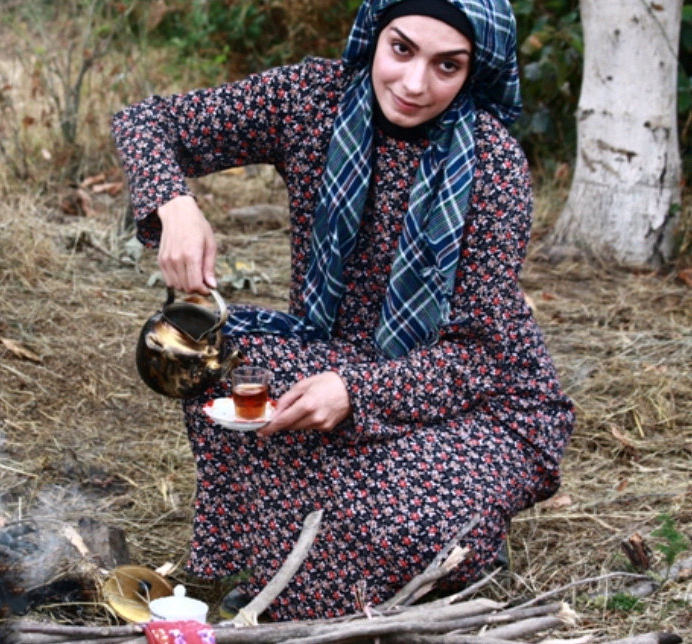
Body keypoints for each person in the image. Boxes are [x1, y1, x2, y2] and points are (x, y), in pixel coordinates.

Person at [112, 0, 575, 621]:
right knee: (208, 359)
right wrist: (174, 204)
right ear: (374, 36)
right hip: (337, 351)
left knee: (386, 519)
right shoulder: (312, 99)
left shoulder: (493, 166)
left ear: (476, 71)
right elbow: (147, 122)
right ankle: (229, 565)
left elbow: (479, 358)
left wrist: (356, 391)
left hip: (483, 400)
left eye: (448, 65)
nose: (414, 83)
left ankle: (447, 546)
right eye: (402, 49)